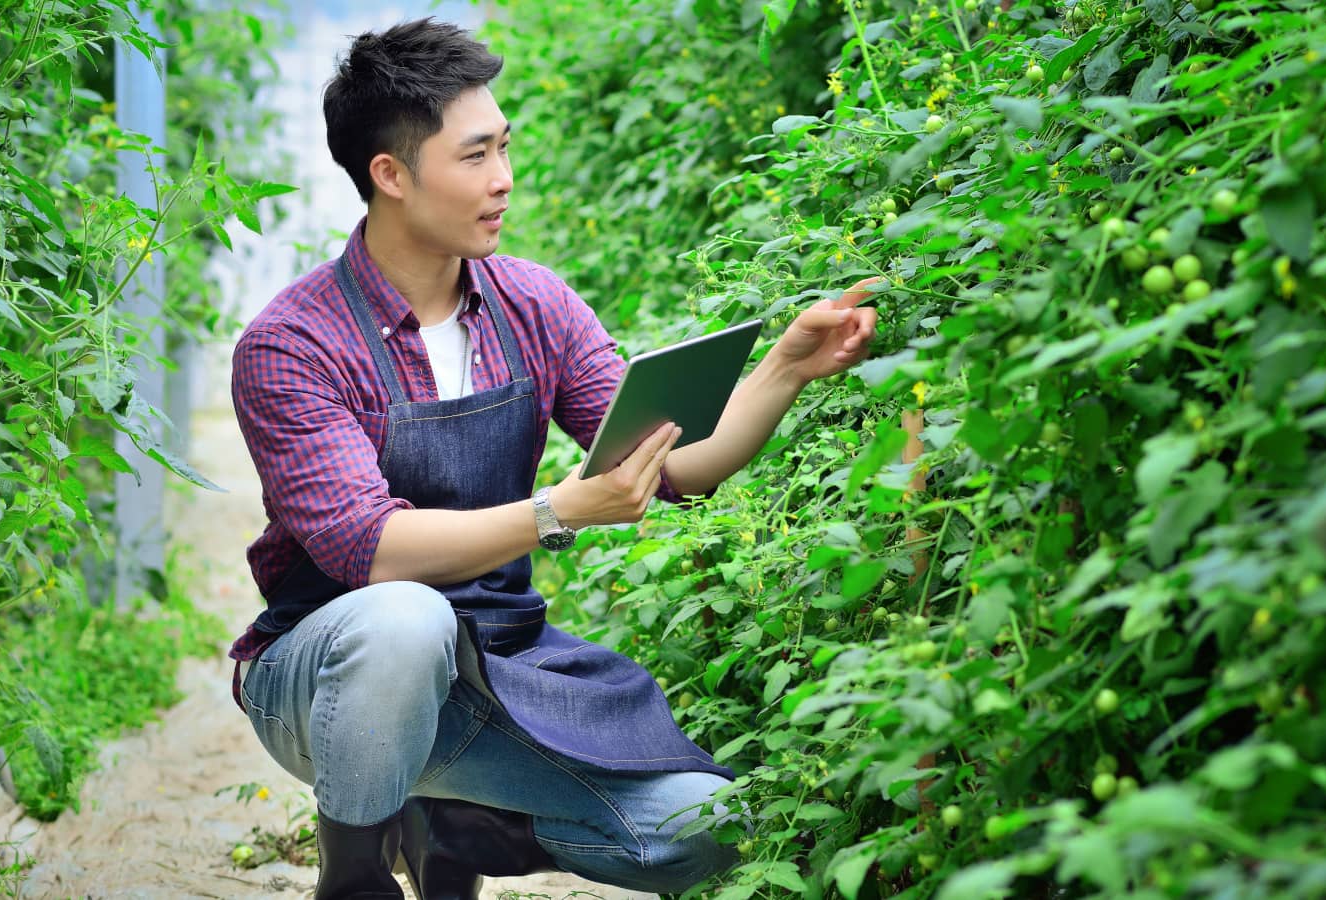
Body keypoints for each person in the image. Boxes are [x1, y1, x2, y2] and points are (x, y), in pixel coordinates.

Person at [226, 17, 880, 900]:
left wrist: (788, 366)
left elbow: (680, 467)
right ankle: (354, 875)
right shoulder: (293, 345)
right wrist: (558, 510)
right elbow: (370, 552)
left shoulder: (534, 305)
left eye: (505, 148)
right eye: (474, 157)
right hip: (327, 681)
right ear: (390, 174)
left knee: (713, 831)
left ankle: (457, 828)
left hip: (497, 672)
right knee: (404, 620)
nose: (503, 181)